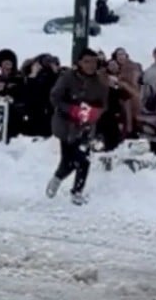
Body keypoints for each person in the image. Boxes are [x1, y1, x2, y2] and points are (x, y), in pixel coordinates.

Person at [45, 49, 109, 205]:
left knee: (83, 159)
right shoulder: (68, 77)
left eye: (93, 62)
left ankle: (77, 191)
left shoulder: (99, 82)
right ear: (80, 63)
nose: (90, 65)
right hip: (66, 124)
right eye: (87, 62)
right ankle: (58, 178)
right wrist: (71, 109)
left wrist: (96, 112)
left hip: (85, 125)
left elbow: (104, 103)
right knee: (68, 159)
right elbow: (55, 97)